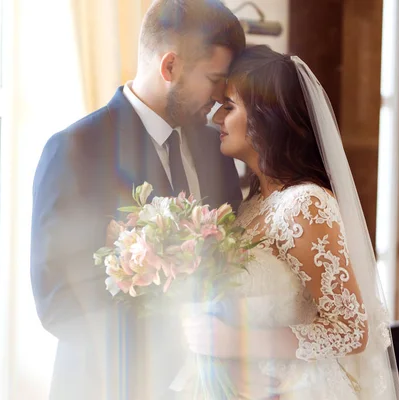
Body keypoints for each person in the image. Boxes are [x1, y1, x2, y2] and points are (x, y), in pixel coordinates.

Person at [30, 1, 245, 399]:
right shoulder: (75, 150)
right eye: (214, 78)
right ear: (170, 67)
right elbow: (58, 300)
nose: (219, 98)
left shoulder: (215, 145)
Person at [180, 45, 399, 399]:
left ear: (265, 118)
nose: (216, 118)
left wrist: (238, 342)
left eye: (229, 106)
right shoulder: (251, 206)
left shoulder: (306, 204)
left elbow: (351, 330)